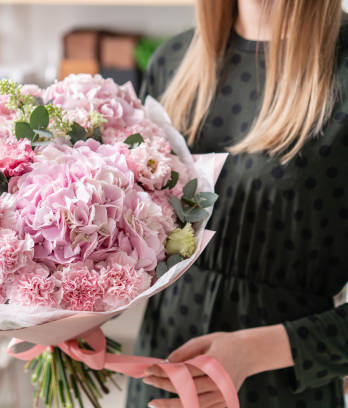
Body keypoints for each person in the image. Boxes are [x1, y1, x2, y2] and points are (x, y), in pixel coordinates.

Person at [126, 0, 348, 407]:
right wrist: (71, 317)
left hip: (280, 392)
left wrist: (253, 351)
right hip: (161, 377)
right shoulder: (172, 62)